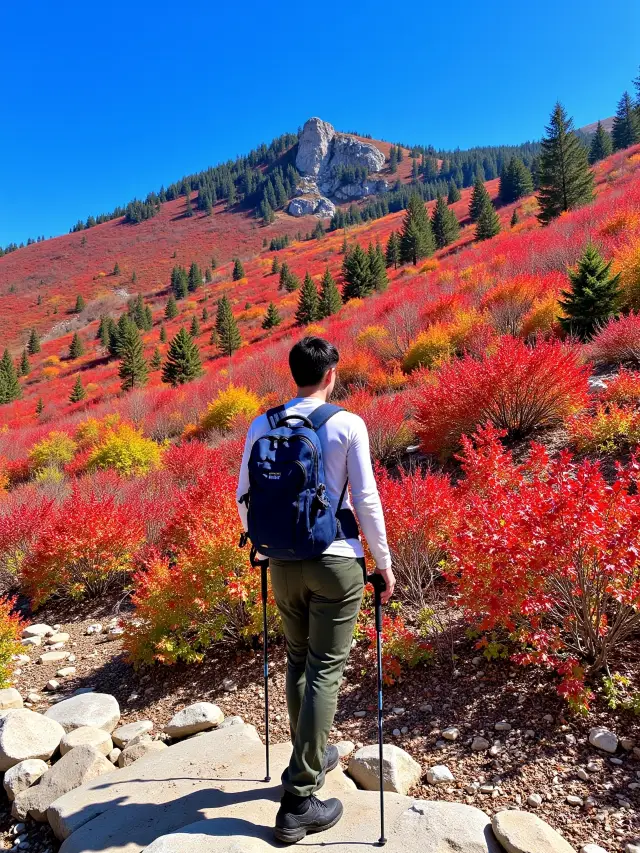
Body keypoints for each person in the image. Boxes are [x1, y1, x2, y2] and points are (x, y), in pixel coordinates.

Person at [236, 336, 395, 844]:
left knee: (298, 661)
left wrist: (266, 548)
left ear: (294, 373)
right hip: (335, 562)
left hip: (281, 564)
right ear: (331, 375)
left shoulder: (262, 424)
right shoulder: (348, 424)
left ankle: (311, 753)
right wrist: (384, 563)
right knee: (326, 669)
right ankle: (299, 800)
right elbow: (366, 498)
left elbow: (244, 496)